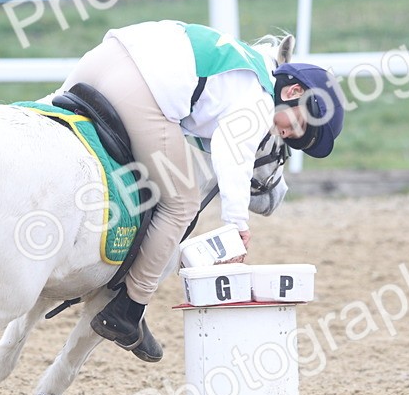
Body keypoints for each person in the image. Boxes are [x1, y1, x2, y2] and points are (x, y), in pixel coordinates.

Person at [54, 20, 345, 362]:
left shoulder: (245, 66)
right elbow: (232, 150)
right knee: (182, 203)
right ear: (292, 92)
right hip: (139, 86)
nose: (284, 134)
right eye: (296, 127)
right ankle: (128, 309)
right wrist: (236, 224)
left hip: (99, 59)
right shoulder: (261, 99)